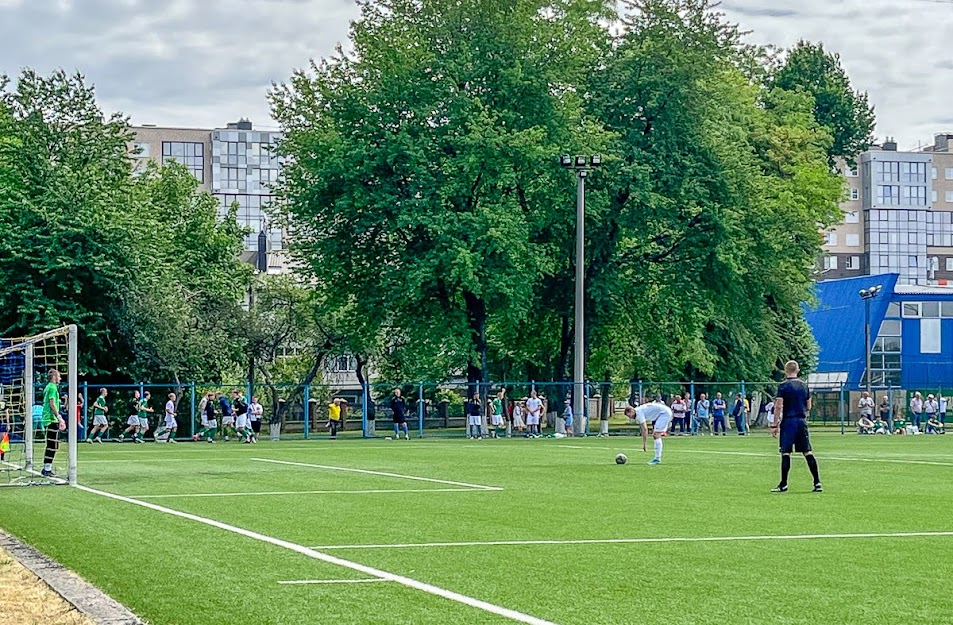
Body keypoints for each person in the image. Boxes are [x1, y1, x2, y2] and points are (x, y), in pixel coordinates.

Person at [771, 360, 822, 493]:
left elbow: (778, 406)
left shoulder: (783, 386)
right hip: (801, 421)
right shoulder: (804, 386)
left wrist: (774, 424)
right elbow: (809, 406)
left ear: (785, 370)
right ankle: (817, 482)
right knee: (807, 451)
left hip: (789, 421)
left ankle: (784, 484)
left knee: (786, 452)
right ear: (797, 370)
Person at [625, 399, 673, 466]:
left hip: (664, 413)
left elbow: (645, 429)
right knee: (656, 434)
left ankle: (657, 459)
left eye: (629, 414)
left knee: (656, 435)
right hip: (663, 413)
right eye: (628, 416)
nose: (630, 417)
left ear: (632, 410)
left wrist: (644, 444)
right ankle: (657, 458)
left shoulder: (638, 412)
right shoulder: (637, 412)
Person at [41, 369, 66, 478]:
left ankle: (47, 468)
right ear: (54, 376)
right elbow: (52, 404)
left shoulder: (49, 387)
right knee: (52, 444)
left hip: (49, 418)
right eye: (59, 376)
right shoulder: (52, 387)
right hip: (51, 419)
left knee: (53, 444)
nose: (60, 378)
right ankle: (47, 469)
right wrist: (59, 417)